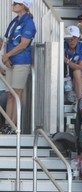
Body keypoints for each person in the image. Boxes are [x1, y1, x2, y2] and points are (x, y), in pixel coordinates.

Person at [2, 0, 35, 129]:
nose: (13, 5)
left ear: (23, 6)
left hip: (21, 62)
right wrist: (5, 57)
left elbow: (24, 44)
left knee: (16, 94)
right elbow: (6, 40)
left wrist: (7, 55)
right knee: (10, 94)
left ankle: (14, 126)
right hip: (10, 61)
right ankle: (7, 124)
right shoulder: (14, 21)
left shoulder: (29, 23)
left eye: (16, 3)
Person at [64, 25, 82, 103]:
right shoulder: (61, 45)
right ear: (66, 39)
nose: (72, 40)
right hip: (63, 79)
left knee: (77, 72)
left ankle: (80, 102)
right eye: (69, 38)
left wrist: (66, 61)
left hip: (78, 80)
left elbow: (80, 67)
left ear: (79, 38)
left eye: (74, 37)